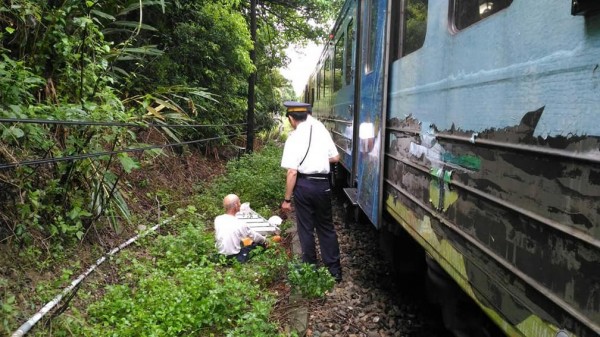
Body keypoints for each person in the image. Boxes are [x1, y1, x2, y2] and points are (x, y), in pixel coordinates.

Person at [280, 101, 342, 282]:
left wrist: (287, 200)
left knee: (306, 227)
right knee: (326, 227)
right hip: (323, 185)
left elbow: (292, 172)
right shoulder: (321, 129)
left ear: (291, 119)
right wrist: (319, 160)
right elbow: (336, 157)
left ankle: (310, 267)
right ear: (307, 115)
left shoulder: (293, 138)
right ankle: (334, 270)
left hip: (304, 186)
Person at [214, 194, 267, 263]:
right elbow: (254, 236)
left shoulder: (218, 219)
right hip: (234, 257)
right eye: (239, 202)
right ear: (236, 205)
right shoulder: (240, 223)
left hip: (220, 256)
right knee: (258, 245)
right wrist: (264, 240)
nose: (240, 204)